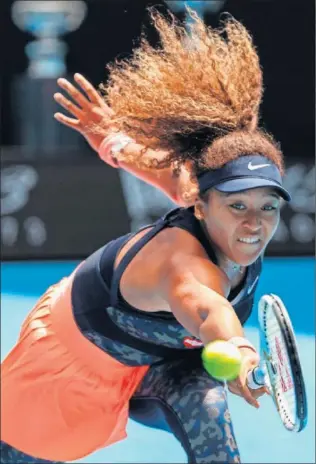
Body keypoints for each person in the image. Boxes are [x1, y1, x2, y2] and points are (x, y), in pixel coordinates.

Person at [1, 9, 291, 464]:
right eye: (237, 206)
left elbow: (170, 171)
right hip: (73, 362)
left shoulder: (205, 193)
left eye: (267, 207)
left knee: (211, 421)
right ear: (202, 203)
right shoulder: (185, 268)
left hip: (164, 362)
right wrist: (238, 349)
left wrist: (112, 141)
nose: (254, 223)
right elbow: (208, 309)